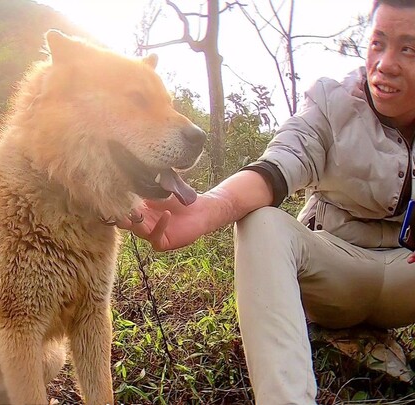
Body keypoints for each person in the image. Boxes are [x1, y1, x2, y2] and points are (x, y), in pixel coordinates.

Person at [117, 0, 415, 403]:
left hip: (405, 275)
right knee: (263, 222)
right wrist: (205, 208)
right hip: (338, 272)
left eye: (408, 49)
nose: (385, 64)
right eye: (377, 43)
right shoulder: (333, 102)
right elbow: (278, 166)